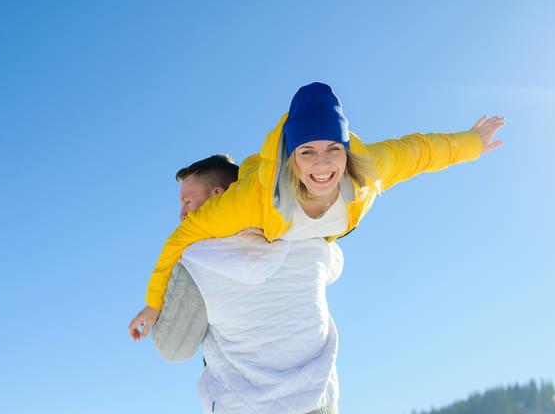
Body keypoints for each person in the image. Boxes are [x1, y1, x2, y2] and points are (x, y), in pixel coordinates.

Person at [129, 81, 505, 339]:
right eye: (307, 152)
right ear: (292, 156)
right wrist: (153, 302)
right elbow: (183, 235)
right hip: (256, 186)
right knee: (235, 201)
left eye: (332, 149)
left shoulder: (369, 172)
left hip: (309, 234)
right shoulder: (252, 201)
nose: (322, 165)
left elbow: (421, 151)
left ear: (345, 149)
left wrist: (472, 143)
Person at [150, 155, 345, 414]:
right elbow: (334, 262)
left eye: (187, 203)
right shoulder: (305, 238)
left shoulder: (200, 261)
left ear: (219, 196)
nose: (181, 215)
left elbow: (172, 347)